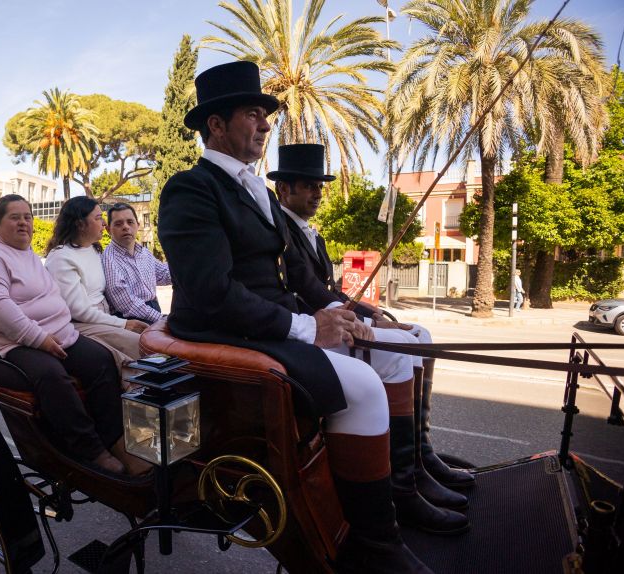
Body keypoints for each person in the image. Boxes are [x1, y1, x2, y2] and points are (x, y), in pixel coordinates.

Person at [157, 61, 432, 573]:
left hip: (272, 321)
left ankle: (402, 486)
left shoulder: (256, 189)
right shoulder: (190, 189)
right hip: (224, 330)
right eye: (252, 113)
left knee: (393, 356)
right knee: (365, 388)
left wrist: (336, 313)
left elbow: (289, 280)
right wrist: (307, 327)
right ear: (215, 125)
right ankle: (373, 546)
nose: (265, 124)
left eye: (265, 115)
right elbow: (211, 290)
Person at [270, 143, 473, 520]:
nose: (317, 193)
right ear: (284, 189)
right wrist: (363, 321)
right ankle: (402, 483)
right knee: (398, 347)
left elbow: (331, 290)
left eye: (320, 186)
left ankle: (419, 454)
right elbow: (307, 291)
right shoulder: (280, 230)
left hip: (331, 315)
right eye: (308, 185)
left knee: (421, 336)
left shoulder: (312, 234)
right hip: (310, 328)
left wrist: (372, 311)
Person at [0, 194, 148, 476]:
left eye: (28, 216)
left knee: (100, 359)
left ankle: (114, 438)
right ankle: (90, 449)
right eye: (15, 217)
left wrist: (59, 331)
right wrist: (41, 340)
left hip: (53, 335)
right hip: (3, 347)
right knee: (51, 374)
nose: (24, 222)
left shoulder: (29, 257)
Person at [44, 197, 147, 375]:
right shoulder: (61, 257)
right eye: (98, 218)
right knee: (140, 347)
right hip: (81, 324)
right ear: (80, 224)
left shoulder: (94, 250)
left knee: (150, 343)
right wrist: (123, 324)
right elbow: (79, 311)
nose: (104, 223)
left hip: (103, 318)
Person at [102, 203, 171, 325]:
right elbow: (126, 304)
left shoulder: (144, 253)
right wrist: (161, 318)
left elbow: (164, 274)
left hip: (153, 309)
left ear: (137, 225)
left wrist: (187, 268)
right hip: (131, 320)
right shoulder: (109, 259)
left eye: (130, 222)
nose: (125, 227)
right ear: (108, 230)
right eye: (118, 224)